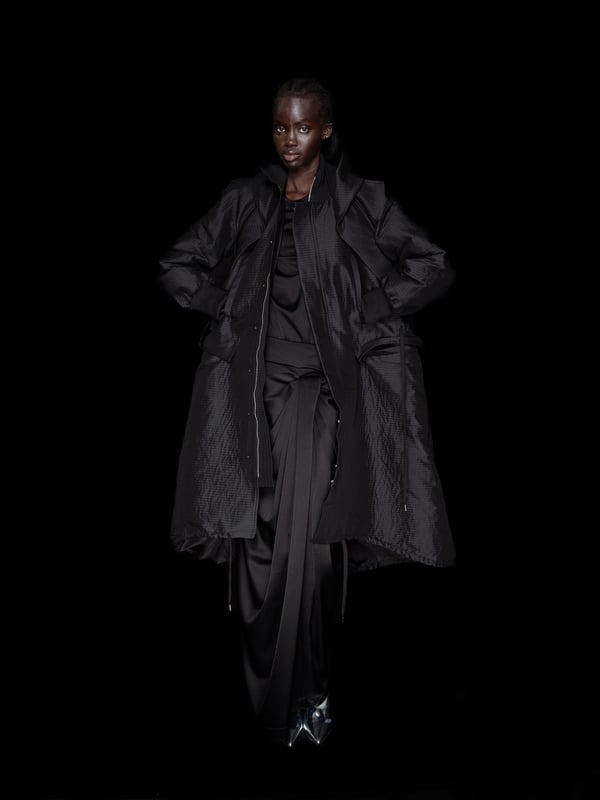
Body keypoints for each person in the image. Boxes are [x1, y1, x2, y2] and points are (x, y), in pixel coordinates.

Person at [158, 76, 456, 748]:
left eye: (301, 127)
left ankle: (310, 693)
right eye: (279, 127)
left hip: (318, 393)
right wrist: (223, 306)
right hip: (248, 394)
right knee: (255, 546)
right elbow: (179, 264)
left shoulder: (359, 199)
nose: (289, 140)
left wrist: (368, 310)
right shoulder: (246, 199)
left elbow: (431, 263)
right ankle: (271, 702)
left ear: (325, 129)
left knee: (313, 546)